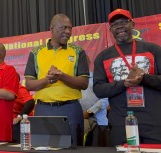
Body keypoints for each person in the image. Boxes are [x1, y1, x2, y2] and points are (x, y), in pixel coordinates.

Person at [93, 8, 161, 146]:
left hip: (153, 122)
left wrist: (145, 78)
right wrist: (124, 83)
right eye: (114, 24)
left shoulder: (153, 50)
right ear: (110, 29)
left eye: (124, 22)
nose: (119, 26)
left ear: (133, 24)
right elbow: (98, 89)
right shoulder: (103, 57)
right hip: (120, 122)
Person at [24, 14, 89, 147]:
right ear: (52, 28)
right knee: (42, 148)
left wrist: (61, 76)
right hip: (43, 109)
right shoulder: (36, 52)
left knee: (73, 148)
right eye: (63, 28)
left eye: (70, 28)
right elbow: (29, 85)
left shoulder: (78, 52)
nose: (68, 32)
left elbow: (84, 83)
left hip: (70, 109)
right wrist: (47, 80)